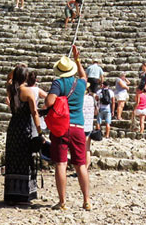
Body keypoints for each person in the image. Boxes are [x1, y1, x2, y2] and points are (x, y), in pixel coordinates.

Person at [45, 45, 90, 211]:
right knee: (81, 165)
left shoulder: (58, 82)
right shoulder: (80, 84)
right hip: (78, 127)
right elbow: (84, 75)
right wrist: (78, 60)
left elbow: (49, 102)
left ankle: (62, 202)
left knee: (61, 164)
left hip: (61, 128)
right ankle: (86, 201)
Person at [3, 64, 43, 204]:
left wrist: (16, 69)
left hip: (13, 128)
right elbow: (35, 114)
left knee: (13, 159)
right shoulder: (28, 92)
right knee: (25, 159)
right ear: (26, 76)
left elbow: (8, 78)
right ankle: (24, 195)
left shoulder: (11, 89)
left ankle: (11, 194)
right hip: (24, 128)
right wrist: (40, 132)